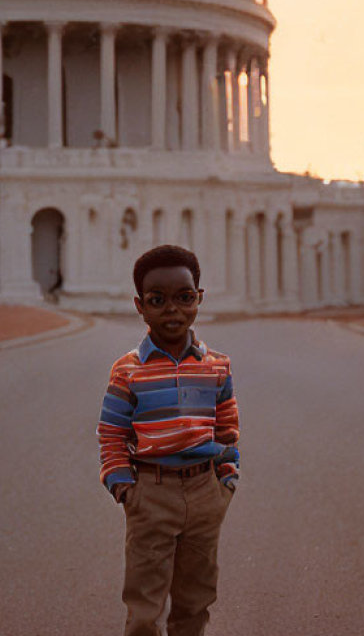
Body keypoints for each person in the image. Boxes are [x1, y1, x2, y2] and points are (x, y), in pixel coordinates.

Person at [97, 244, 239, 636]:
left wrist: (226, 478)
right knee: (144, 608)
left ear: (198, 299)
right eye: (158, 300)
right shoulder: (128, 371)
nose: (172, 309)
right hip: (150, 494)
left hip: (204, 491)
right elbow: (111, 433)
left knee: (195, 601)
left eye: (184, 298)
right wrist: (122, 484)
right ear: (140, 306)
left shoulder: (217, 367)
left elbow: (226, 426)